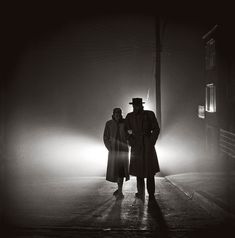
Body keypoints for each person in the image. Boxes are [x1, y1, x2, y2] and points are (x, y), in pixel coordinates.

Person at [125, 98, 160, 202]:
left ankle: (151, 194)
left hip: (147, 145)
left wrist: (151, 141)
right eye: (134, 105)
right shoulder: (129, 116)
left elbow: (156, 129)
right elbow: (126, 131)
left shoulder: (149, 114)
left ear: (141, 105)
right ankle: (140, 192)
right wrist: (131, 141)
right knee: (138, 171)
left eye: (137, 105)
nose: (136, 107)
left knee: (150, 171)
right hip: (136, 145)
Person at [103, 108, 129, 199]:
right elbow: (105, 137)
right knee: (115, 170)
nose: (117, 115)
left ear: (121, 114)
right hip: (114, 151)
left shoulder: (125, 123)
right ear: (113, 114)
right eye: (116, 113)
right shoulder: (109, 124)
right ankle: (119, 189)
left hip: (122, 150)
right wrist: (110, 148)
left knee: (121, 170)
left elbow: (129, 133)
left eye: (119, 113)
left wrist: (129, 143)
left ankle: (120, 190)